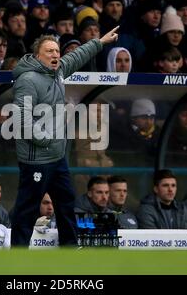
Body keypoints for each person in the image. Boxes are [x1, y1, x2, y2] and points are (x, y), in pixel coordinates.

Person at [10, 26, 119, 246]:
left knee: (66, 202)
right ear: (37, 56)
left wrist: (100, 42)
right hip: (36, 160)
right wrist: (47, 139)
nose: (55, 55)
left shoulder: (57, 71)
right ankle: (18, 254)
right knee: (27, 209)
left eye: (57, 51)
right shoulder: (28, 80)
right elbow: (22, 119)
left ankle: (69, 249)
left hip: (57, 158)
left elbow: (77, 56)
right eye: (49, 51)